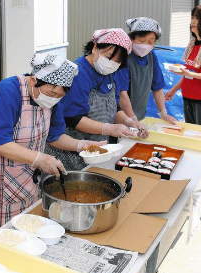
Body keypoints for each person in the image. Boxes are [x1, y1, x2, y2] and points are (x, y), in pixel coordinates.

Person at [0, 53, 105, 236]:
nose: (54, 98)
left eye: (59, 95)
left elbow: (55, 136)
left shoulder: (52, 101)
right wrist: (39, 158)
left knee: (23, 229)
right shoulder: (7, 92)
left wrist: (81, 146)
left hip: (26, 175)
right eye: (51, 93)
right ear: (33, 80)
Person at [45, 28, 145, 171]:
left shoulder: (111, 72)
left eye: (117, 61)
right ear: (95, 48)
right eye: (109, 56)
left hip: (96, 150)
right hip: (73, 150)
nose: (111, 63)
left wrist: (129, 122)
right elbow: (72, 118)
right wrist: (108, 128)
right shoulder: (79, 73)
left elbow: (114, 108)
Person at [118, 17, 177, 123]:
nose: (146, 45)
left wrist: (163, 113)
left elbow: (157, 87)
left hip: (139, 116)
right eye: (141, 41)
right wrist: (132, 119)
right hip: (121, 117)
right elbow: (122, 93)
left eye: (151, 42)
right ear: (131, 38)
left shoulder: (150, 55)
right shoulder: (124, 57)